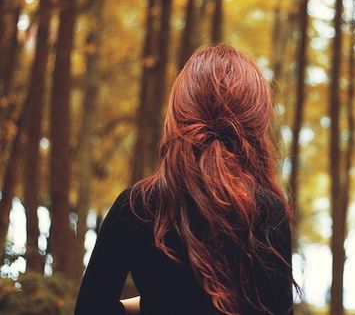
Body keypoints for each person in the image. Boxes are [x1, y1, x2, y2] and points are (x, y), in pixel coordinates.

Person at [74, 45, 300, 315]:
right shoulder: (267, 210)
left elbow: (91, 308)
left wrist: (151, 303)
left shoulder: (136, 205)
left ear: (180, 109)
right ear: (256, 117)